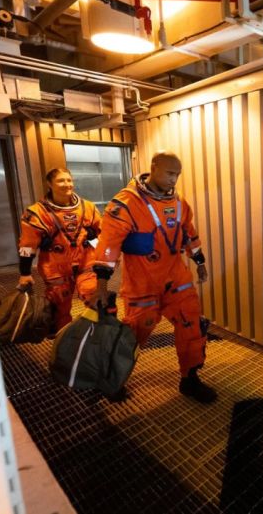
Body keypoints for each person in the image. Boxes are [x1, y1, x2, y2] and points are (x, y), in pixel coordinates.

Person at [91, 151, 215, 404]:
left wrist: (199, 262)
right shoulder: (126, 204)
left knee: (192, 325)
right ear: (154, 167)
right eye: (170, 173)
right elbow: (109, 245)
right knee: (134, 334)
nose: (174, 180)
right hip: (142, 284)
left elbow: (189, 234)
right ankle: (114, 378)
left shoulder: (180, 204)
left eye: (178, 175)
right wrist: (101, 285)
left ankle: (189, 379)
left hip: (176, 279)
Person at [18, 168, 101, 332]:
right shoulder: (37, 213)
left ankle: (98, 335)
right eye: (61, 181)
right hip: (56, 266)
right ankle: (62, 341)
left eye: (69, 180)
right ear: (49, 184)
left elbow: (103, 234)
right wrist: (25, 273)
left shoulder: (88, 208)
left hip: (86, 262)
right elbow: (27, 246)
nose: (67, 184)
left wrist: (92, 238)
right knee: (59, 306)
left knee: (96, 298)